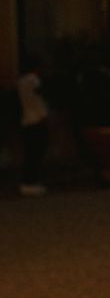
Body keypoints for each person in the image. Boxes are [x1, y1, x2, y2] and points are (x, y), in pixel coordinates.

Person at [16, 59, 50, 196]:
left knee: (30, 153)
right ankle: (31, 181)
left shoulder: (21, 81)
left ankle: (28, 181)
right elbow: (39, 96)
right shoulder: (33, 80)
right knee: (36, 153)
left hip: (27, 120)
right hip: (36, 120)